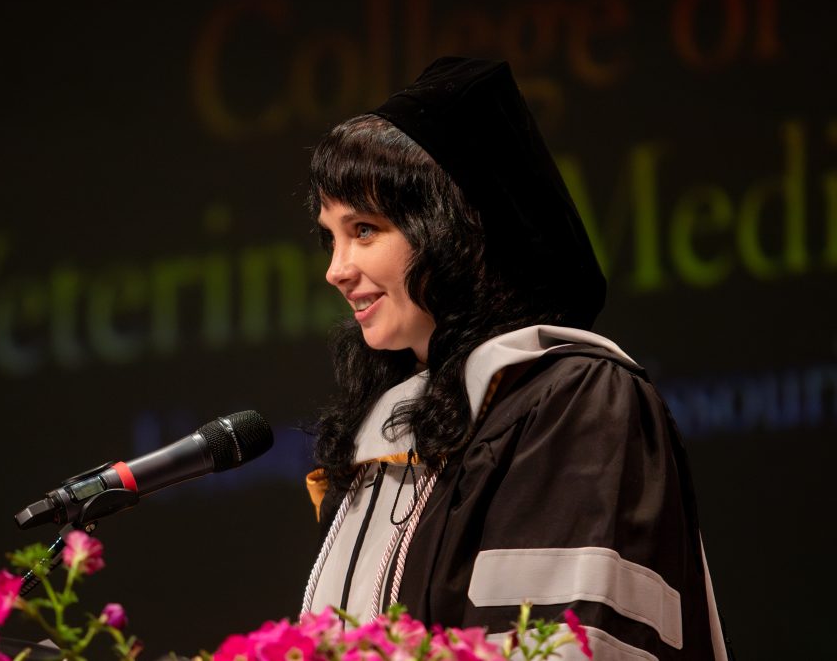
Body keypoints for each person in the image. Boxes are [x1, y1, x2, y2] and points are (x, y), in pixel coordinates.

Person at [299, 57, 733, 661]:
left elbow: (570, 644)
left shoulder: (575, 400)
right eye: (332, 237)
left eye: (365, 230)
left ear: (454, 233)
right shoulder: (396, 431)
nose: (336, 270)